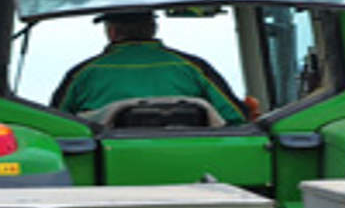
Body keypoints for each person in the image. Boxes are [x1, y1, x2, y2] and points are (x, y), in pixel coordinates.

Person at [50, 11, 246, 124]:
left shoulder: (83, 73)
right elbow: (236, 117)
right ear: (153, 29)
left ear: (112, 32)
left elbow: (56, 123)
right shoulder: (192, 66)